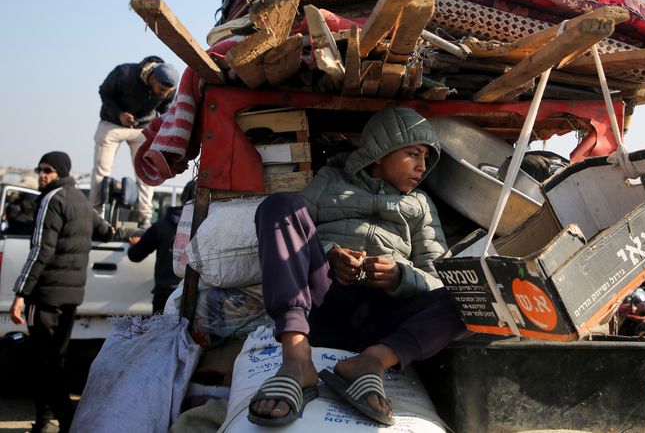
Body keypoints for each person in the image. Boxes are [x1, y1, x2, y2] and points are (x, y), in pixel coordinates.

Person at [247, 106, 470, 427]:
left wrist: (399, 276)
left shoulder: (421, 205)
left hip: (385, 322)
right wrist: (329, 255)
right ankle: (296, 361)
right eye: (413, 154)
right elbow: (292, 237)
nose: (422, 167)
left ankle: (370, 362)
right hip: (324, 305)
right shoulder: (328, 181)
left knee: (476, 294)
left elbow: (438, 276)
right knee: (280, 206)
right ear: (380, 152)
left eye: (426, 158)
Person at [10, 151, 113, 433]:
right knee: (54, 360)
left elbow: (41, 249)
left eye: (48, 170)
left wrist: (20, 292)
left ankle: (69, 421)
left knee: (45, 364)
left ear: (60, 173)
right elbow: (105, 231)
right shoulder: (80, 201)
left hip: (45, 296)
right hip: (70, 298)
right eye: (40, 169)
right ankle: (42, 423)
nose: (42, 174)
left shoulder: (51, 200)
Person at [89, 56, 179, 228]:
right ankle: (95, 215)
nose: (164, 94)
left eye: (168, 91)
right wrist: (119, 114)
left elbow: (166, 111)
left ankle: (144, 216)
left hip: (142, 127)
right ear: (152, 78)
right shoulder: (124, 73)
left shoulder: (169, 90)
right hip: (112, 124)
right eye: (161, 89)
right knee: (101, 170)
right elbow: (104, 92)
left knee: (147, 172)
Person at [127, 180, 195, 314]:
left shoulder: (161, 226)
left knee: (161, 334)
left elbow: (135, 255)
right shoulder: (207, 228)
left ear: (181, 199)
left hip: (165, 297)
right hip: (197, 298)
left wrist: (134, 244)